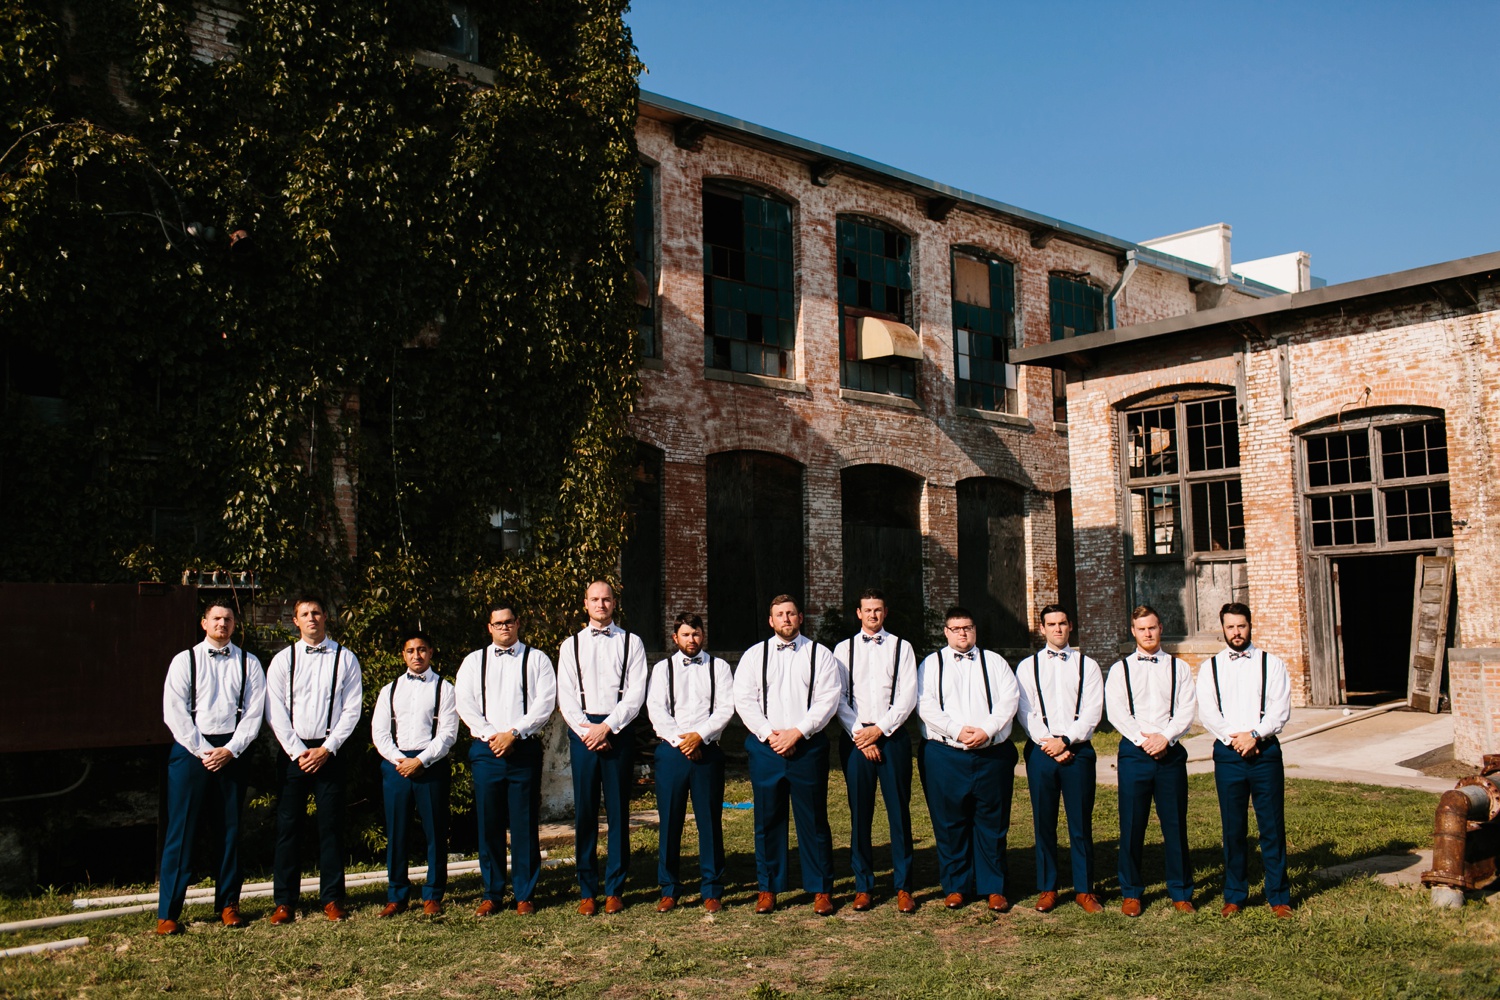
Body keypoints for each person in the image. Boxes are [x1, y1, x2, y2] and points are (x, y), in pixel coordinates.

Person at [155, 602, 266, 935]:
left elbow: (254, 713)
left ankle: (229, 905)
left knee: (230, 831)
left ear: (234, 625)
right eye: (216, 618)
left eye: (228, 619)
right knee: (181, 830)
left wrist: (230, 750)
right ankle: (169, 912)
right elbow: (173, 711)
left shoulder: (250, 662)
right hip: (191, 751)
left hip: (233, 752)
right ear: (204, 623)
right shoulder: (183, 661)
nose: (222, 623)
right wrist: (205, 751)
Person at [732, 594, 844, 915]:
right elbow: (745, 700)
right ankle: (768, 887)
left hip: (807, 746)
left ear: (800, 617)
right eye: (779, 614)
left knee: (813, 819)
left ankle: (821, 888)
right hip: (766, 747)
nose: (786, 619)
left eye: (791, 614)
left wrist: (798, 731)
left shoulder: (819, 655)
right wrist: (770, 734)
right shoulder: (755, 656)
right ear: (771, 621)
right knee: (767, 819)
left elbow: (827, 699)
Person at [265, 596, 363, 924]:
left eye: (317, 612)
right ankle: (285, 902)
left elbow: (352, 708)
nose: (311, 618)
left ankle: (333, 898)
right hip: (293, 752)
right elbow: (275, 709)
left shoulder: (345, 658)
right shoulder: (283, 660)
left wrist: (327, 748)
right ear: (295, 620)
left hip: (329, 752)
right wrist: (296, 751)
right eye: (304, 614)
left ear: (326, 617)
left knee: (331, 826)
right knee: (288, 827)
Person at [916, 606, 1020, 914]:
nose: (963, 633)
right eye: (957, 628)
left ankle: (993, 887)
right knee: (950, 822)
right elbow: (925, 704)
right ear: (946, 632)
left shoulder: (995, 662)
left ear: (975, 630)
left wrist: (986, 730)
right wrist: (957, 731)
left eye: (968, 627)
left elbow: (1009, 700)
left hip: (991, 754)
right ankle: (956, 886)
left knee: (992, 821)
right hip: (946, 754)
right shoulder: (931, 664)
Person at [455, 601, 557, 915]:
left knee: (524, 822)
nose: (504, 627)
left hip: (522, 748)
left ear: (518, 623)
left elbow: (545, 702)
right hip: (487, 751)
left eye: (509, 622)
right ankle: (493, 893)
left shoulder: (537, 659)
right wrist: (492, 736)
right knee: (490, 823)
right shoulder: (474, 662)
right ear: (489, 627)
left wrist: (513, 732)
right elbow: (465, 703)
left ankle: (525, 893)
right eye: (498, 623)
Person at [556, 580, 648, 915]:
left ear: (614, 603)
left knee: (619, 810)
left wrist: (608, 726)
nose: (600, 604)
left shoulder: (631, 643)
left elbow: (636, 693)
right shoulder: (571, 646)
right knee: (585, 811)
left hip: (618, 728)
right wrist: (588, 731)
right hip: (583, 733)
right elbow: (565, 696)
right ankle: (586, 889)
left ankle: (615, 888)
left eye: (606, 599)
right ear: (585, 604)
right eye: (594, 599)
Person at [1197, 602, 1294, 918]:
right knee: (1233, 828)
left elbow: (1280, 710)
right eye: (1230, 627)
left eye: (1241, 626)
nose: (1236, 632)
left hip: (1264, 751)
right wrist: (1234, 739)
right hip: (1228, 754)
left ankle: (1278, 897)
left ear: (1250, 626)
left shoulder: (1272, 664)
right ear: (1222, 629)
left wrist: (1255, 734)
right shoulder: (1210, 667)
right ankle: (1235, 895)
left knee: (1271, 826)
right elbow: (1209, 712)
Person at [1104, 605, 1198, 916]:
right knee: (1132, 825)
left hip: (1169, 752)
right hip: (1135, 752)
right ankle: (1131, 891)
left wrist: (1166, 737)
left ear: (1160, 628)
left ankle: (1181, 891)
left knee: (1174, 824)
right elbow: (1116, 711)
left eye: (1152, 627)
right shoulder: (1121, 670)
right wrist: (1143, 740)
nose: (1147, 633)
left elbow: (1186, 709)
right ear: (1133, 631)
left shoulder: (1179, 668)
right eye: (1141, 628)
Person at [832, 588, 918, 913]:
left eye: (878, 610)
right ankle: (863, 886)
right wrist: (860, 734)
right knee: (860, 815)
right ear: (858, 613)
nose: (873, 615)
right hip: (855, 739)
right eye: (867, 610)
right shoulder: (842, 650)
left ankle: (904, 886)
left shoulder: (902, 647)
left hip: (892, 736)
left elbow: (908, 695)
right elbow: (837, 697)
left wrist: (879, 730)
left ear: (885, 612)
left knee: (899, 813)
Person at [1014, 604, 1104, 914]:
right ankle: (1047, 888)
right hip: (1041, 751)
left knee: (1080, 822)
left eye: (1062, 623)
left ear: (1071, 625)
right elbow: (1025, 711)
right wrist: (1049, 742)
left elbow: (1093, 711)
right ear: (1042, 629)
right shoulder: (1027, 667)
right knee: (1044, 823)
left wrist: (1066, 740)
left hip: (1078, 750)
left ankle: (1084, 889)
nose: (1057, 629)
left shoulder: (1087, 666)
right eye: (1051, 624)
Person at [645, 612, 734, 913]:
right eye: (685, 635)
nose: (691, 640)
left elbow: (725, 709)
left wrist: (701, 736)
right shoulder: (662, 670)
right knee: (670, 821)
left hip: (707, 749)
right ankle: (669, 889)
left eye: (696, 634)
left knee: (709, 821)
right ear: (675, 638)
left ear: (702, 635)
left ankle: (711, 889)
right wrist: (682, 741)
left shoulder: (718, 667)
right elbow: (656, 710)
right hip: (672, 751)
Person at [371, 629, 458, 917]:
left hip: (430, 765)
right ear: (403, 655)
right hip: (396, 766)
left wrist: (420, 760)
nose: (416, 655)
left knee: (435, 831)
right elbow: (380, 733)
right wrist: (400, 760)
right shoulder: (390, 689)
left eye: (421, 650)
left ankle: (433, 894)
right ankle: (397, 895)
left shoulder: (444, 688)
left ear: (431, 652)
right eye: (410, 651)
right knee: (397, 832)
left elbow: (447, 734)